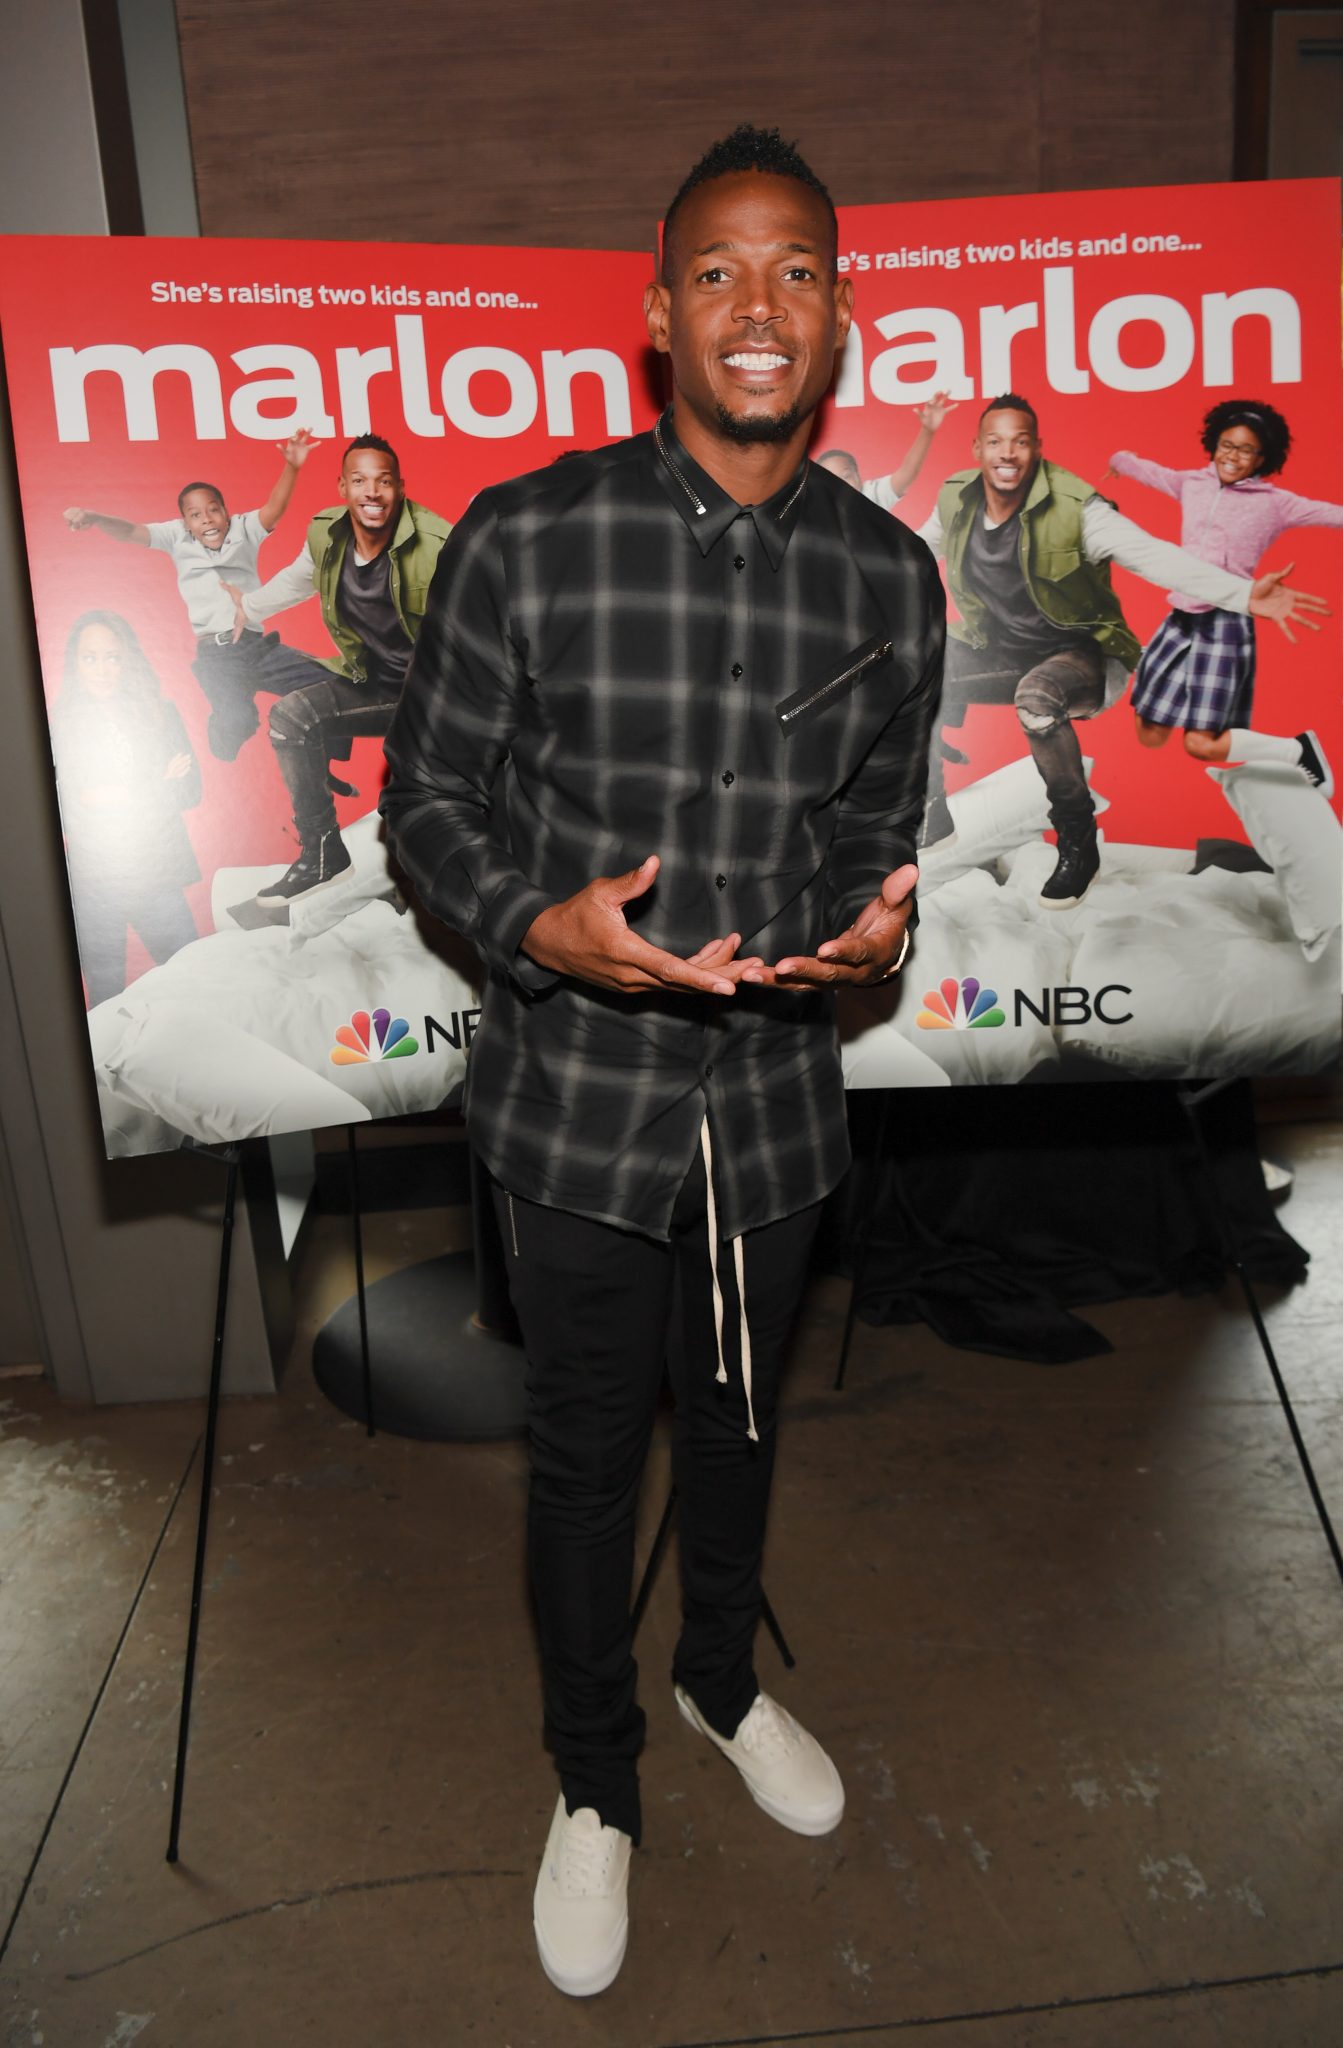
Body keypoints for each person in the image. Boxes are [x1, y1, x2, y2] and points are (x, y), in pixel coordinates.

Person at [380, 123, 944, 1999]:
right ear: (656, 312)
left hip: (772, 1103)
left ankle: (715, 1680)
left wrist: (876, 931)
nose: (755, 305)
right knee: (577, 1459)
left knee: (739, 1421)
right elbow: (425, 801)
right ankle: (594, 1778)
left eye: (793, 271)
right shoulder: (527, 536)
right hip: (576, 1102)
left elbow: (872, 834)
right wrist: (537, 926)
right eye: (716, 271)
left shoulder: (889, 578)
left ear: (838, 314)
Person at [916, 395, 1328, 905]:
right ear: (977, 448)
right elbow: (909, 552)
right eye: (996, 441)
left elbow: (1156, 557)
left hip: (1078, 655)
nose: (1007, 453)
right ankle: (931, 813)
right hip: (998, 649)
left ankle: (1078, 839)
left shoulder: (1077, 509)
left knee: (1036, 699)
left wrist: (1243, 595)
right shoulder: (956, 501)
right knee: (910, 667)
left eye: (1020, 442)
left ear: (1037, 449)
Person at [230, 434, 451, 904]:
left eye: (383, 481)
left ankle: (424, 876)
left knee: (423, 799)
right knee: (290, 716)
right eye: (360, 481)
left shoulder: (436, 545)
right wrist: (247, 607)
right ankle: (323, 853)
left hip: (435, 693)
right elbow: (297, 579)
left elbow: (479, 624)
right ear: (343, 487)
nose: (372, 492)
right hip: (375, 683)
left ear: (400, 488)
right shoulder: (327, 535)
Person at [1109, 398, 1339, 793]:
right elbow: (1150, 472)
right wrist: (1119, 459)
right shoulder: (1192, 483)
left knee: (1201, 745)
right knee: (1149, 732)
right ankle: (1171, 667)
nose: (1232, 456)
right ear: (1214, 444)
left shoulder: (1276, 504)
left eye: (1246, 450)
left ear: (1262, 458)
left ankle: (1296, 751)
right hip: (1181, 616)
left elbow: (1332, 513)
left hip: (1226, 623)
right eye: (1227, 445)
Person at [62, 431, 325, 763]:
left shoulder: (243, 529)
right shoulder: (176, 537)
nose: (207, 520)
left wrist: (292, 467)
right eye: (196, 515)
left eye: (213, 511)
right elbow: (130, 531)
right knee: (239, 720)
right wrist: (96, 518)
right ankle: (223, 735)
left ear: (226, 513)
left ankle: (326, 754)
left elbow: (274, 507)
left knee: (328, 682)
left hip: (257, 647)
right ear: (185, 523)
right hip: (218, 656)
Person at [50, 610, 202, 1007]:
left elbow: (191, 792)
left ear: (127, 659)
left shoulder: (160, 714)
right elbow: (71, 808)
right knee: (105, 999)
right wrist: (156, 784)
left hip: (157, 874)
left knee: (195, 980)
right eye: (90, 658)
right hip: (93, 883)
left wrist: (111, 794)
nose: (102, 670)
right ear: (75, 663)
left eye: (112, 657)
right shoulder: (57, 726)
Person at [815, 389, 958, 510]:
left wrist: (927, 430)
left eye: (846, 476)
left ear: (857, 475)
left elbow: (907, 472)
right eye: (831, 482)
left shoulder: (872, 495)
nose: (841, 486)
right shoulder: (817, 514)